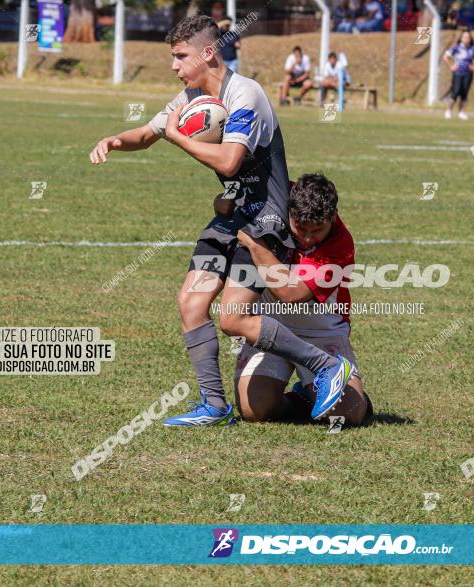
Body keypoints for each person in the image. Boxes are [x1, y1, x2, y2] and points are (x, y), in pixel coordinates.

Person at [88, 16, 354, 426]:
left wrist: (180, 139)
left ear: (208, 53)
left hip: (264, 220)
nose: (174, 66)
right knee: (191, 303)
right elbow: (149, 132)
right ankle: (213, 405)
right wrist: (114, 141)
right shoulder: (192, 96)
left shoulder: (245, 94)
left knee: (232, 318)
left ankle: (325, 366)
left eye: (180, 57)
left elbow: (230, 162)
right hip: (231, 214)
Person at [229, 173, 373, 426]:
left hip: (320, 332)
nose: (307, 238)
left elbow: (289, 293)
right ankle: (301, 398)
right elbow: (233, 190)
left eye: (317, 231)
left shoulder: (340, 245)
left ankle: (344, 392)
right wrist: (226, 202)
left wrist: (255, 244)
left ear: (332, 217)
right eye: (300, 229)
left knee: (347, 415)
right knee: (255, 411)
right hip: (268, 329)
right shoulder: (281, 197)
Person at [442, 29, 474, 121]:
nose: (466, 38)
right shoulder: (456, 48)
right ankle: (449, 110)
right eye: (464, 36)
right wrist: (451, 66)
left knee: (464, 93)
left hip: (468, 74)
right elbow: (445, 57)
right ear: (461, 38)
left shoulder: (472, 49)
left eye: (468, 37)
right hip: (458, 73)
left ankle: (461, 112)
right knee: (455, 92)